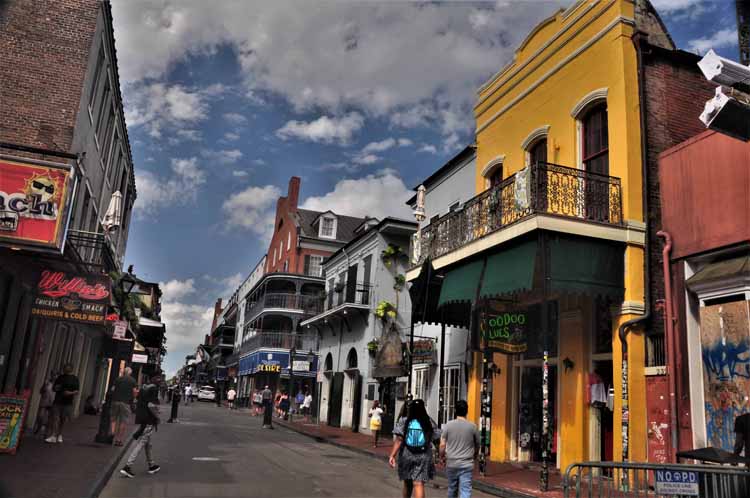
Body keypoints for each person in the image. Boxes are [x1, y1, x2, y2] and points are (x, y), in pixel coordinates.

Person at [389, 399, 439, 498]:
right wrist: (437, 455)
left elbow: (399, 439)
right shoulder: (428, 421)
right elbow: (435, 438)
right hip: (424, 455)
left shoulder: (405, 421)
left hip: (407, 455)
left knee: (407, 483)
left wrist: (392, 455)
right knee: (418, 484)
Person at [120, 374, 162, 478]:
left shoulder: (144, 388)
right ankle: (127, 466)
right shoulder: (154, 390)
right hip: (148, 420)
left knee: (148, 444)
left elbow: (137, 398)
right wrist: (157, 416)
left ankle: (152, 465)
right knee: (141, 443)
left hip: (142, 418)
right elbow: (151, 405)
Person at [439, 400, 479, 498]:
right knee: (465, 490)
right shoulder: (473, 427)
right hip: (467, 463)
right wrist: (475, 455)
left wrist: (441, 457)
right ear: (467, 411)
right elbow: (477, 444)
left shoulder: (448, 425)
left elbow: (442, 445)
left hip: (452, 462)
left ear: (455, 411)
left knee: (452, 489)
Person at [45, 363, 80, 444]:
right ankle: (53, 435)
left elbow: (77, 391)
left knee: (62, 419)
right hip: (57, 400)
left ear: (71, 369)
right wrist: (56, 388)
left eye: (67, 368)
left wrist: (70, 393)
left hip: (67, 402)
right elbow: (54, 388)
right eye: (64, 368)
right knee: (55, 418)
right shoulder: (60, 377)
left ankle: (60, 434)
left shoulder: (75, 379)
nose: (65, 369)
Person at [110, 367, 137, 446]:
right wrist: (134, 398)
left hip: (115, 401)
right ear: (130, 373)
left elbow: (112, 389)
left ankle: (112, 433)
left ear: (124, 372)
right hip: (126, 403)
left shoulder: (118, 379)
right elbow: (134, 391)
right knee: (123, 421)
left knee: (113, 418)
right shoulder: (132, 380)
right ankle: (118, 440)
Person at [35, 372, 56, 437]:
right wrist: (44, 385)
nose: (54, 377)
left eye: (55, 376)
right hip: (44, 401)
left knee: (49, 419)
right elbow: (41, 391)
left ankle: (46, 433)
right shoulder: (47, 382)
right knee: (40, 416)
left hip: (53, 403)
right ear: (51, 375)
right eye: (53, 375)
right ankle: (39, 427)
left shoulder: (58, 384)